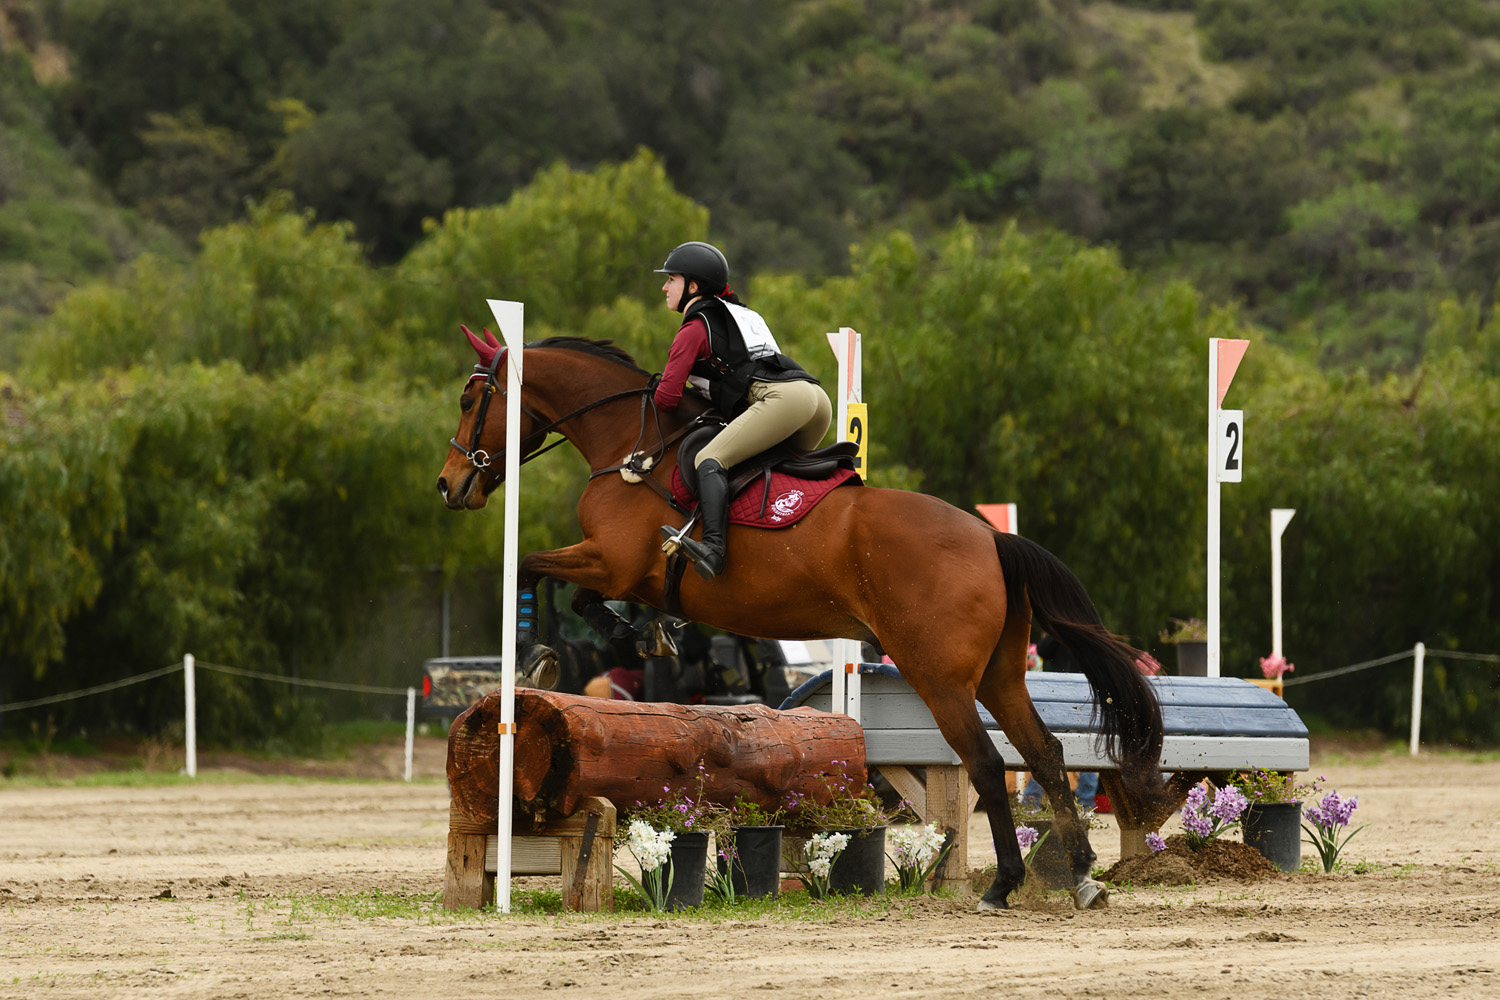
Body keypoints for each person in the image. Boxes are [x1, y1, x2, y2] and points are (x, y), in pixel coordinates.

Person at [651, 241, 832, 579]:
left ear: (693, 286)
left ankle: (713, 550)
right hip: (816, 401)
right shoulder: (739, 315)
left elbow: (666, 400)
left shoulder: (694, 328)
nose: (664, 286)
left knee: (709, 459)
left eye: (671, 279)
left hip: (783, 400)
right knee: (761, 474)